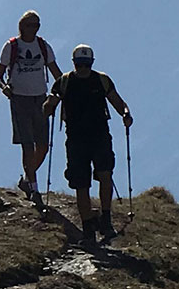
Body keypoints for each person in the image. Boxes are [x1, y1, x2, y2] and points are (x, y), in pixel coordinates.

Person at [41, 44, 132, 244]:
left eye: (86, 64)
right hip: (79, 139)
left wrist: (125, 113)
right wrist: (49, 104)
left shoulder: (98, 80)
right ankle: (90, 228)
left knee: (103, 176)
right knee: (84, 182)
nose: (83, 68)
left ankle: (104, 221)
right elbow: (48, 107)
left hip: (96, 137)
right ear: (74, 63)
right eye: (80, 64)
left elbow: (118, 102)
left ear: (91, 63)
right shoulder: (65, 82)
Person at [0, 11, 62, 198]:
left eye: (37, 25)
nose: (35, 28)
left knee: (43, 146)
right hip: (19, 99)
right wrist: (4, 87)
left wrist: (62, 91)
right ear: (22, 26)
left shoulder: (43, 46)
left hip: (41, 99)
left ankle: (27, 178)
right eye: (31, 25)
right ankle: (34, 188)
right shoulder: (11, 46)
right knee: (27, 145)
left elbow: (56, 73)